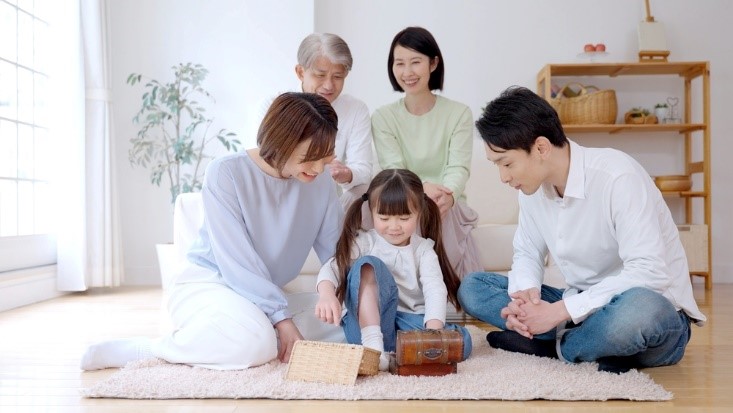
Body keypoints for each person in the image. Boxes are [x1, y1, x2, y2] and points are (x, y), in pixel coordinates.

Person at [81, 92, 345, 371]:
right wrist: (281, 317)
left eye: (325, 158)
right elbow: (236, 262)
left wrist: (342, 296)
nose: (318, 168)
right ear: (282, 141)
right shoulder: (226, 173)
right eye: (309, 157)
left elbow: (336, 252)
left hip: (263, 296)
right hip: (211, 283)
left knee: (348, 324)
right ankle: (149, 349)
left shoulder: (321, 181)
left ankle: (259, 331)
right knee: (256, 344)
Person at [459, 86, 706, 373]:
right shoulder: (532, 190)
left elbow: (649, 273)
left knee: (640, 312)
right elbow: (527, 252)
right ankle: (584, 345)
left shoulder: (617, 176)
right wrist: (524, 297)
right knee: (473, 288)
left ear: (540, 148)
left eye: (506, 163)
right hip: (579, 306)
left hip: (650, 311)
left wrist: (558, 313)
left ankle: (556, 347)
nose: (503, 177)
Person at [315, 168, 473, 371]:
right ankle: (375, 351)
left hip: (405, 325)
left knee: (464, 341)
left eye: (404, 218)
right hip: (366, 329)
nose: (394, 226)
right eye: (384, 218)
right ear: (371, 212)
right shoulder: (364, 242)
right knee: (369, 264)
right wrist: (327, 294)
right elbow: (331, 268)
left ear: (419, 212)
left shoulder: (423, 249)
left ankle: (396, 352)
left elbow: (435, 288)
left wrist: (433, 334)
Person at [371, 26, 481, 278]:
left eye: (415, 62)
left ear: (433, 63)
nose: (407, 72)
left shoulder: (459, 113)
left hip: (448, 202)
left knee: (441, 211)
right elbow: (393, 168)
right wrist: (420, 190)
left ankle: (446, 292)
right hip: (404, 200)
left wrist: (447, 196)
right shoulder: (383, 117)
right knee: (406, 213)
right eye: (399, 63)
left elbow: (458, 167)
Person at [295, 32, 374, 210]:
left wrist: (347, 174)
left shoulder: (355, 109)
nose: (329, 85)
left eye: (338, 77)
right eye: (320, 75)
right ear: (300, 72)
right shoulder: (277, 105)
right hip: (286, 193)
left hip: (330, 199)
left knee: (365, 193)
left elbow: (362, 168)